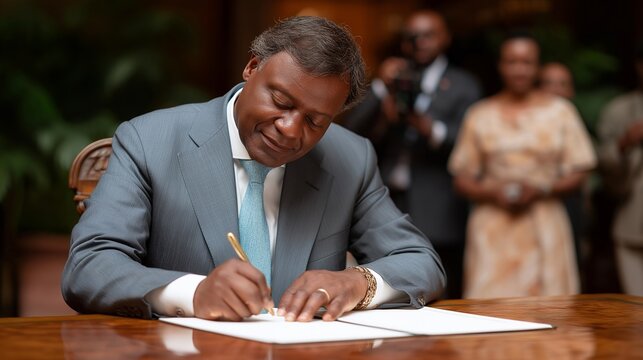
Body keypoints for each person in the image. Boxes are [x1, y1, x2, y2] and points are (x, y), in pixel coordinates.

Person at [61, 16, 445, 322]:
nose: (291, 130)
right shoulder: (151, 140)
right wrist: (193, 293)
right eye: (280, 101)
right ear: (251, 67)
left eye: (316, 122)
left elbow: (421, 262)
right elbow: (90, 266)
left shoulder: (350, 157)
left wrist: (357, 282)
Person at [341, 10, 481, 299]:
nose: (421, 42)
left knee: (440, 283)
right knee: (387, 271)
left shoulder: (463, 84)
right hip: (388, 195)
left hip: (437, 200)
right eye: (414, 36)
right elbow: (350, 128)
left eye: (429, 34)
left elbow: (474, 145)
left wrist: (430, 128)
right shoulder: (392, 78)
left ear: (446, 38)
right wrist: (380, 85)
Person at [448, 34, 596, 298]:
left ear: (537, 67)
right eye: (512, 61)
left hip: (545, 223)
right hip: (492, 227)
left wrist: (542, 188)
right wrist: (493, 192)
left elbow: (581, 169)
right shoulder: (480, 113)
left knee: (551, 311)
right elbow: (461, 177)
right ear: (501, 66)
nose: (519, 69)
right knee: (490, 312)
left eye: (527, 62)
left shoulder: (560, 111)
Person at [596, 46, 643, 296]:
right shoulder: (619, 111)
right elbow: (600, 166)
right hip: (632, 225)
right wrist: (625, 143)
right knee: (637, 315)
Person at [538, 61, 586, 281]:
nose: (555, 90)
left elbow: (581, 168)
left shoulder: (570, 117)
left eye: (562, 84)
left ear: (571, 91)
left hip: (567, 203)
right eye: (548, 83)